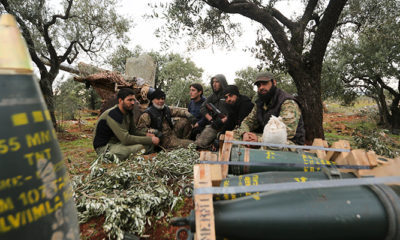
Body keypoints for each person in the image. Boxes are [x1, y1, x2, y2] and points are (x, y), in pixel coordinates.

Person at [234, 72, 305, 145]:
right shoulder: (260, 103)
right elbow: (247, 122)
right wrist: (245, 133)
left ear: (274, 83)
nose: (261, 88)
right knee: (234, 136)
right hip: (266, 139)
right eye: (258, 85)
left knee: (270, 145)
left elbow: (286, 132)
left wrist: (258, 140)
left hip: (289, 143)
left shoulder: (287, 102)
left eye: (264, 83)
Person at [93, 88, 160, 161]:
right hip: (105, 148)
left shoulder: (128, 112)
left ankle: (142, 154)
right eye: (129, 100)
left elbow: (133, 132)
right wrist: (150, 140)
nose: (133, 103)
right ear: (120, 101)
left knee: (145, 145)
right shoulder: (113, 114)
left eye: (133, 100)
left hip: (118, 143)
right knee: (140, 147)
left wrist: (146, 135)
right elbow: (126, 139)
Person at [195, 85, 253, 149]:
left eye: (230, 95)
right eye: (226, 97)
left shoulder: (246, 104)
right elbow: (230, 122)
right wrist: (220, 135)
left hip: (248, 132)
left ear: (237, 95)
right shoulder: (231, 105)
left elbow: (242, 124)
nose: (228, 99)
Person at [195, 74, 229, 149]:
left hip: (228, 126)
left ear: (222, 82)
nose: (214, 84)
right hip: (215, 125)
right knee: (198, 144)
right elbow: (203, 107)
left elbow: (234, 109)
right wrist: (211, 119)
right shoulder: (212, 96)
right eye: (213, 82)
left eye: (217, 82)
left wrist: (225, 119)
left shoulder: (229, 94)